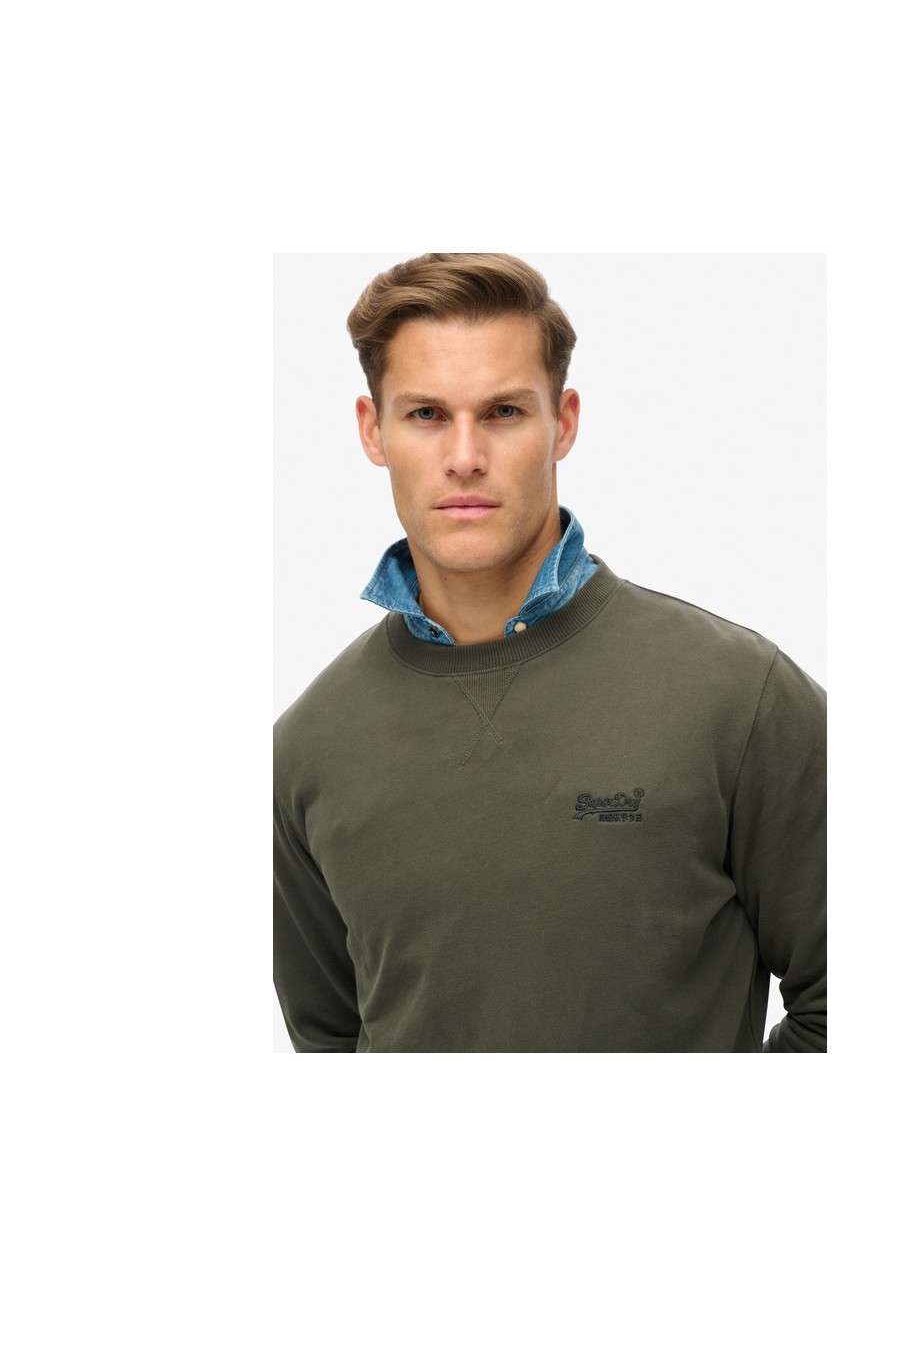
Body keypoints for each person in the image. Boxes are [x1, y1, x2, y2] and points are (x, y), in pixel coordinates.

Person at [273, 252, 826, 1053]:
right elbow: (328, 1042)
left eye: (503, 412)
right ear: (372, 430)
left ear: (563, 423)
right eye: (426, 414)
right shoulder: (306, 749)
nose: (465, 455)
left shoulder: (740, 698)